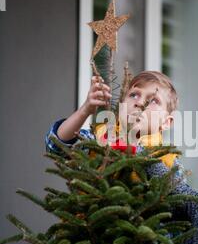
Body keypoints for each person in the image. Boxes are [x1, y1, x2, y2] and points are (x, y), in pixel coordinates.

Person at [45, 70, 179, 170]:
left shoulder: (167, 161)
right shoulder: (99, 140)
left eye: (154, 100)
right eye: (134, 95)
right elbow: (57, 146)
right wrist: (85, 110)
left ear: (166, 122)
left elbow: (182, 203)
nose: (140, 103)